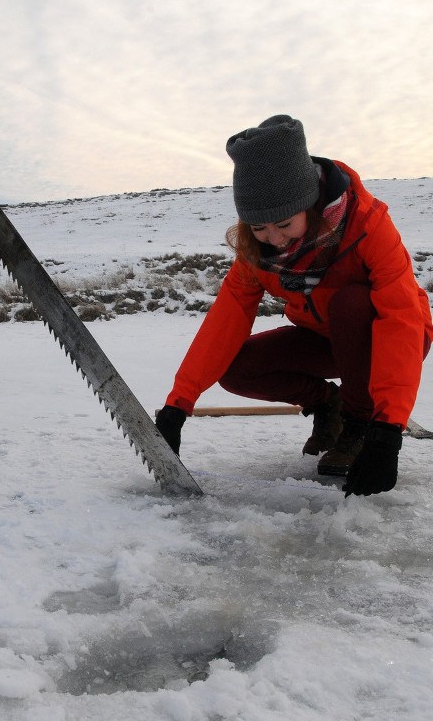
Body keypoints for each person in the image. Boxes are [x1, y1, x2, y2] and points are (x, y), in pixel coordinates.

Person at [156, 115, 433, 497]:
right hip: (324, 340)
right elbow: (227, 318)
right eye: (259, 228)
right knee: (236, 367)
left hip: (387, 336)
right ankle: (328, 404)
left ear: (310, 205)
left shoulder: (368, 227)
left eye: (284, 224)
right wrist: (178, 405)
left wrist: (387, 430)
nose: (274, 240)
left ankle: (358, 422)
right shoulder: (256, 253)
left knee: (352, 303)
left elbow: (401, 318)